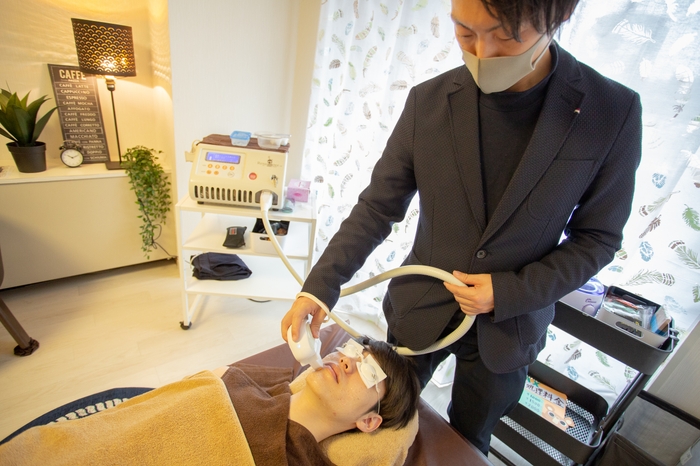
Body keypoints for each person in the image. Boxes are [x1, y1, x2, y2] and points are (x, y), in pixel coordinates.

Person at [282, 0, 642, 455]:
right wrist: (319, 288)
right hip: (419, 311)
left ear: (559, 16)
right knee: (383, 427)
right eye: (465, 33)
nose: (482, 54)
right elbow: (377, 206)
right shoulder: (429, 102)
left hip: (509, 330)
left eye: (505, 37)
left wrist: (508, 291)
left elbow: (598, 239)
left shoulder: (611, 113)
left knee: (468, 444)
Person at [0, 338, 421, 466]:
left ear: (369, 422)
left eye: (369, 372)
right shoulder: (249, 382)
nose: (346, 361)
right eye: (351, 350)